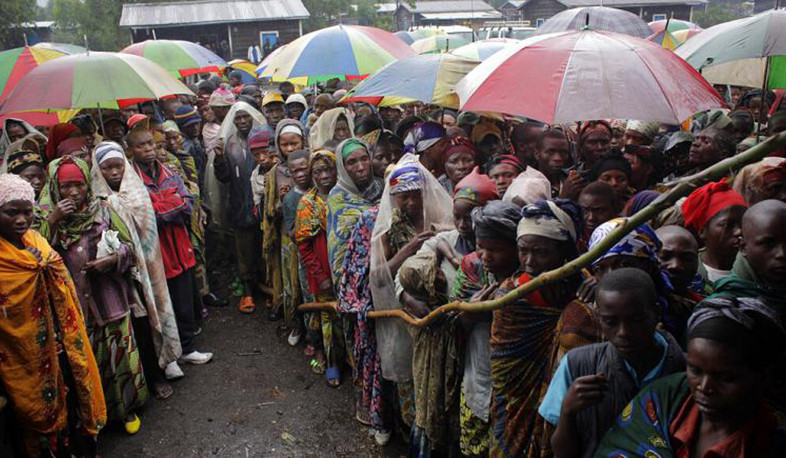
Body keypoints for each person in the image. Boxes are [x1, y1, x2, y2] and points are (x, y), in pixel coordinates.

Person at [36, 156, 148, 434]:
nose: (74, 192)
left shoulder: (104, 210)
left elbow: (131, 249)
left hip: (109, 298)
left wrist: (111, 261)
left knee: (121, 357)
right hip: (72, 308)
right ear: (54, 188)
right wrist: (54, 219)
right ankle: (95, 416)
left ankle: (127, 410)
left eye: (79, 185)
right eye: (65, 186)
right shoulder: (43, 218)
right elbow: (34, 256)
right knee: (88, 365)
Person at [595, 296, 786, 457]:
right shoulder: (663, 399)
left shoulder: (772, 443)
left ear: (763, 377)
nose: (705, 387)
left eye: (726, 378)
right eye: (695, 370)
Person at [0, 174, 106, 456]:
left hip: (61, 341)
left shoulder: (38, 240)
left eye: (27, 212)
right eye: (11, 212)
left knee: (70, 398)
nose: (21, 220)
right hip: (20, 352)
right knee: (30, 413)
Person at [489, 199, 597, 457]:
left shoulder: (584, 281)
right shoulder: (512, 295)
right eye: (523, 250)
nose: (529, 261)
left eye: (541, 252)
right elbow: (505, 369)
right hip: (518, 398)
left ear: (563, 252)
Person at [541, 268, 686, 458]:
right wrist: (568, 411)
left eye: (637, 320)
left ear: (657, 313)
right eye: (611, 322)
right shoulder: (577, 365)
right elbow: (561, 452)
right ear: (599, 318)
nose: (624, 332)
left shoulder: (685, 370)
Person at [369, 155, 456, 455]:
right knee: (412, 374)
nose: (409, 204)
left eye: (414, 195)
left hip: (442, 311)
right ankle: (414, 432)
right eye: (401, 198)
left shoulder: (442, 217)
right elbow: (379, 276)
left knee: (442, 376)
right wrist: (409, 249)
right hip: (405, 313)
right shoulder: (388, 229)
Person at [91, 142, 184, 393]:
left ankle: (164, 365)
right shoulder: (96, 200)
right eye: (107, 168)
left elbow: (147, 227)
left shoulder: (137, 191)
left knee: (153, 314)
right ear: (98, 170)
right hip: (120, 275)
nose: (114, 172)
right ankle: (146, 376)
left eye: (118, 166)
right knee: (136, 325)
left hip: (148, 265)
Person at [128, 128, 214, 366]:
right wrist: (169, 206)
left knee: (185, 299)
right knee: (162, 304)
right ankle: (168, 354)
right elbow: (145, 216)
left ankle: (186, 348)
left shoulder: (169, 172)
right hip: (156, 253)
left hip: (181, 246)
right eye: (141, 146)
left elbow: (187, 203)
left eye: (151, 144)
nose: (148, 149)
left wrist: (163, 208)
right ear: (131, 150)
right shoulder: (131, 181)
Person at [214, 103, 268, 314]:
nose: (243, 121)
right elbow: (225, 177)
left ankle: (266, 287)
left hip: (261, 203)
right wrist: (219, 159)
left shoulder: (263, 138)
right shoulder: (230, 144)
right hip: (239, 204)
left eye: (246, 117)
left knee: (265, 245)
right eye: (238, 118)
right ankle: (247, 290)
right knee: (244, 249)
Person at [294, 150, 343, 383]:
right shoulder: (308, 203)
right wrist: (321, 275)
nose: (324, 175)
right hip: (322, 272)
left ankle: (349, 359)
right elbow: (304, 245)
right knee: (326, 317)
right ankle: (331, 361)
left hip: (345, 270)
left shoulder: (344, 196)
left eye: (328, 169)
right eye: (318, 171)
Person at [262, 119, 308, 323]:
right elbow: (269, 210)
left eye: (294, 143)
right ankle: (292, 316)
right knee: (289, 274)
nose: (289, 149)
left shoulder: (312, 164)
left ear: (303, 142)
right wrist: (282, 202)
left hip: (312, 230)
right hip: (287, 233)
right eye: (284, 144)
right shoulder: (274, 172)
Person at [682, 180, 748, 291]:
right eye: (728, 225)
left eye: (744, 223)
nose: (739, 231)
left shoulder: (758, 270)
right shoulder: (688, 273)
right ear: (702, 231)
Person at [281, 149, 312, 345]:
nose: (300, 174)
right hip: (304, 254)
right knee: (303, 292)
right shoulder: (290, 199)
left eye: (304, 169)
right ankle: (307, 332)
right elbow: (291, 230)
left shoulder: (322, 189)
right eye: (295, 172)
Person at [174, 105, 208, 189]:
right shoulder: (184, 146)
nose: (195, 128)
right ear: (181, 127)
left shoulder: (195, 139)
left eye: (197, 123)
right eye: (190, 126)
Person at [577, 181, 618, 249]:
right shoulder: (574, 238)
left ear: (615, 209)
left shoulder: (625, 236)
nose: (591, 218)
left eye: (599, 211)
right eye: (584, 210)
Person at [535, 128, 572, 197]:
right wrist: (563, 197)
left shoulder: (571, 181)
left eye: (563, 152)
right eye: (550, 152)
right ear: (537, 154)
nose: (558, 158)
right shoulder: (527, 186)